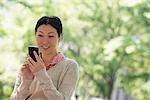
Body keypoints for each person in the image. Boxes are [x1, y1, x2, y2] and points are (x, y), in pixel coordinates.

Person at [10, 16, 79, 100]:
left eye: (50, 36)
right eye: (40, 35)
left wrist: (41, 74)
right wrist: (26, 82)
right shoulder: (28, 65)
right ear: (35, 35)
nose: (45, 41)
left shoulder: (69, 66)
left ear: (60, 37)